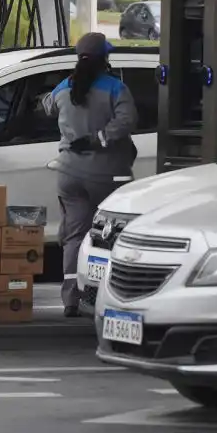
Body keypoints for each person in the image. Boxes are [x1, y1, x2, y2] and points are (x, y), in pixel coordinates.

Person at [41, 32, 138, 317]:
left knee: (74, 237)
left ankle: (70, 299)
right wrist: (100, 138)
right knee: (112, 236)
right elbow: (128, 121)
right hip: (107, 175)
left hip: (68, 173)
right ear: (105, 59)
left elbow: (46, 106)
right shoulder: (115, 88)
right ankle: (107, 295)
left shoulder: (65, 86)